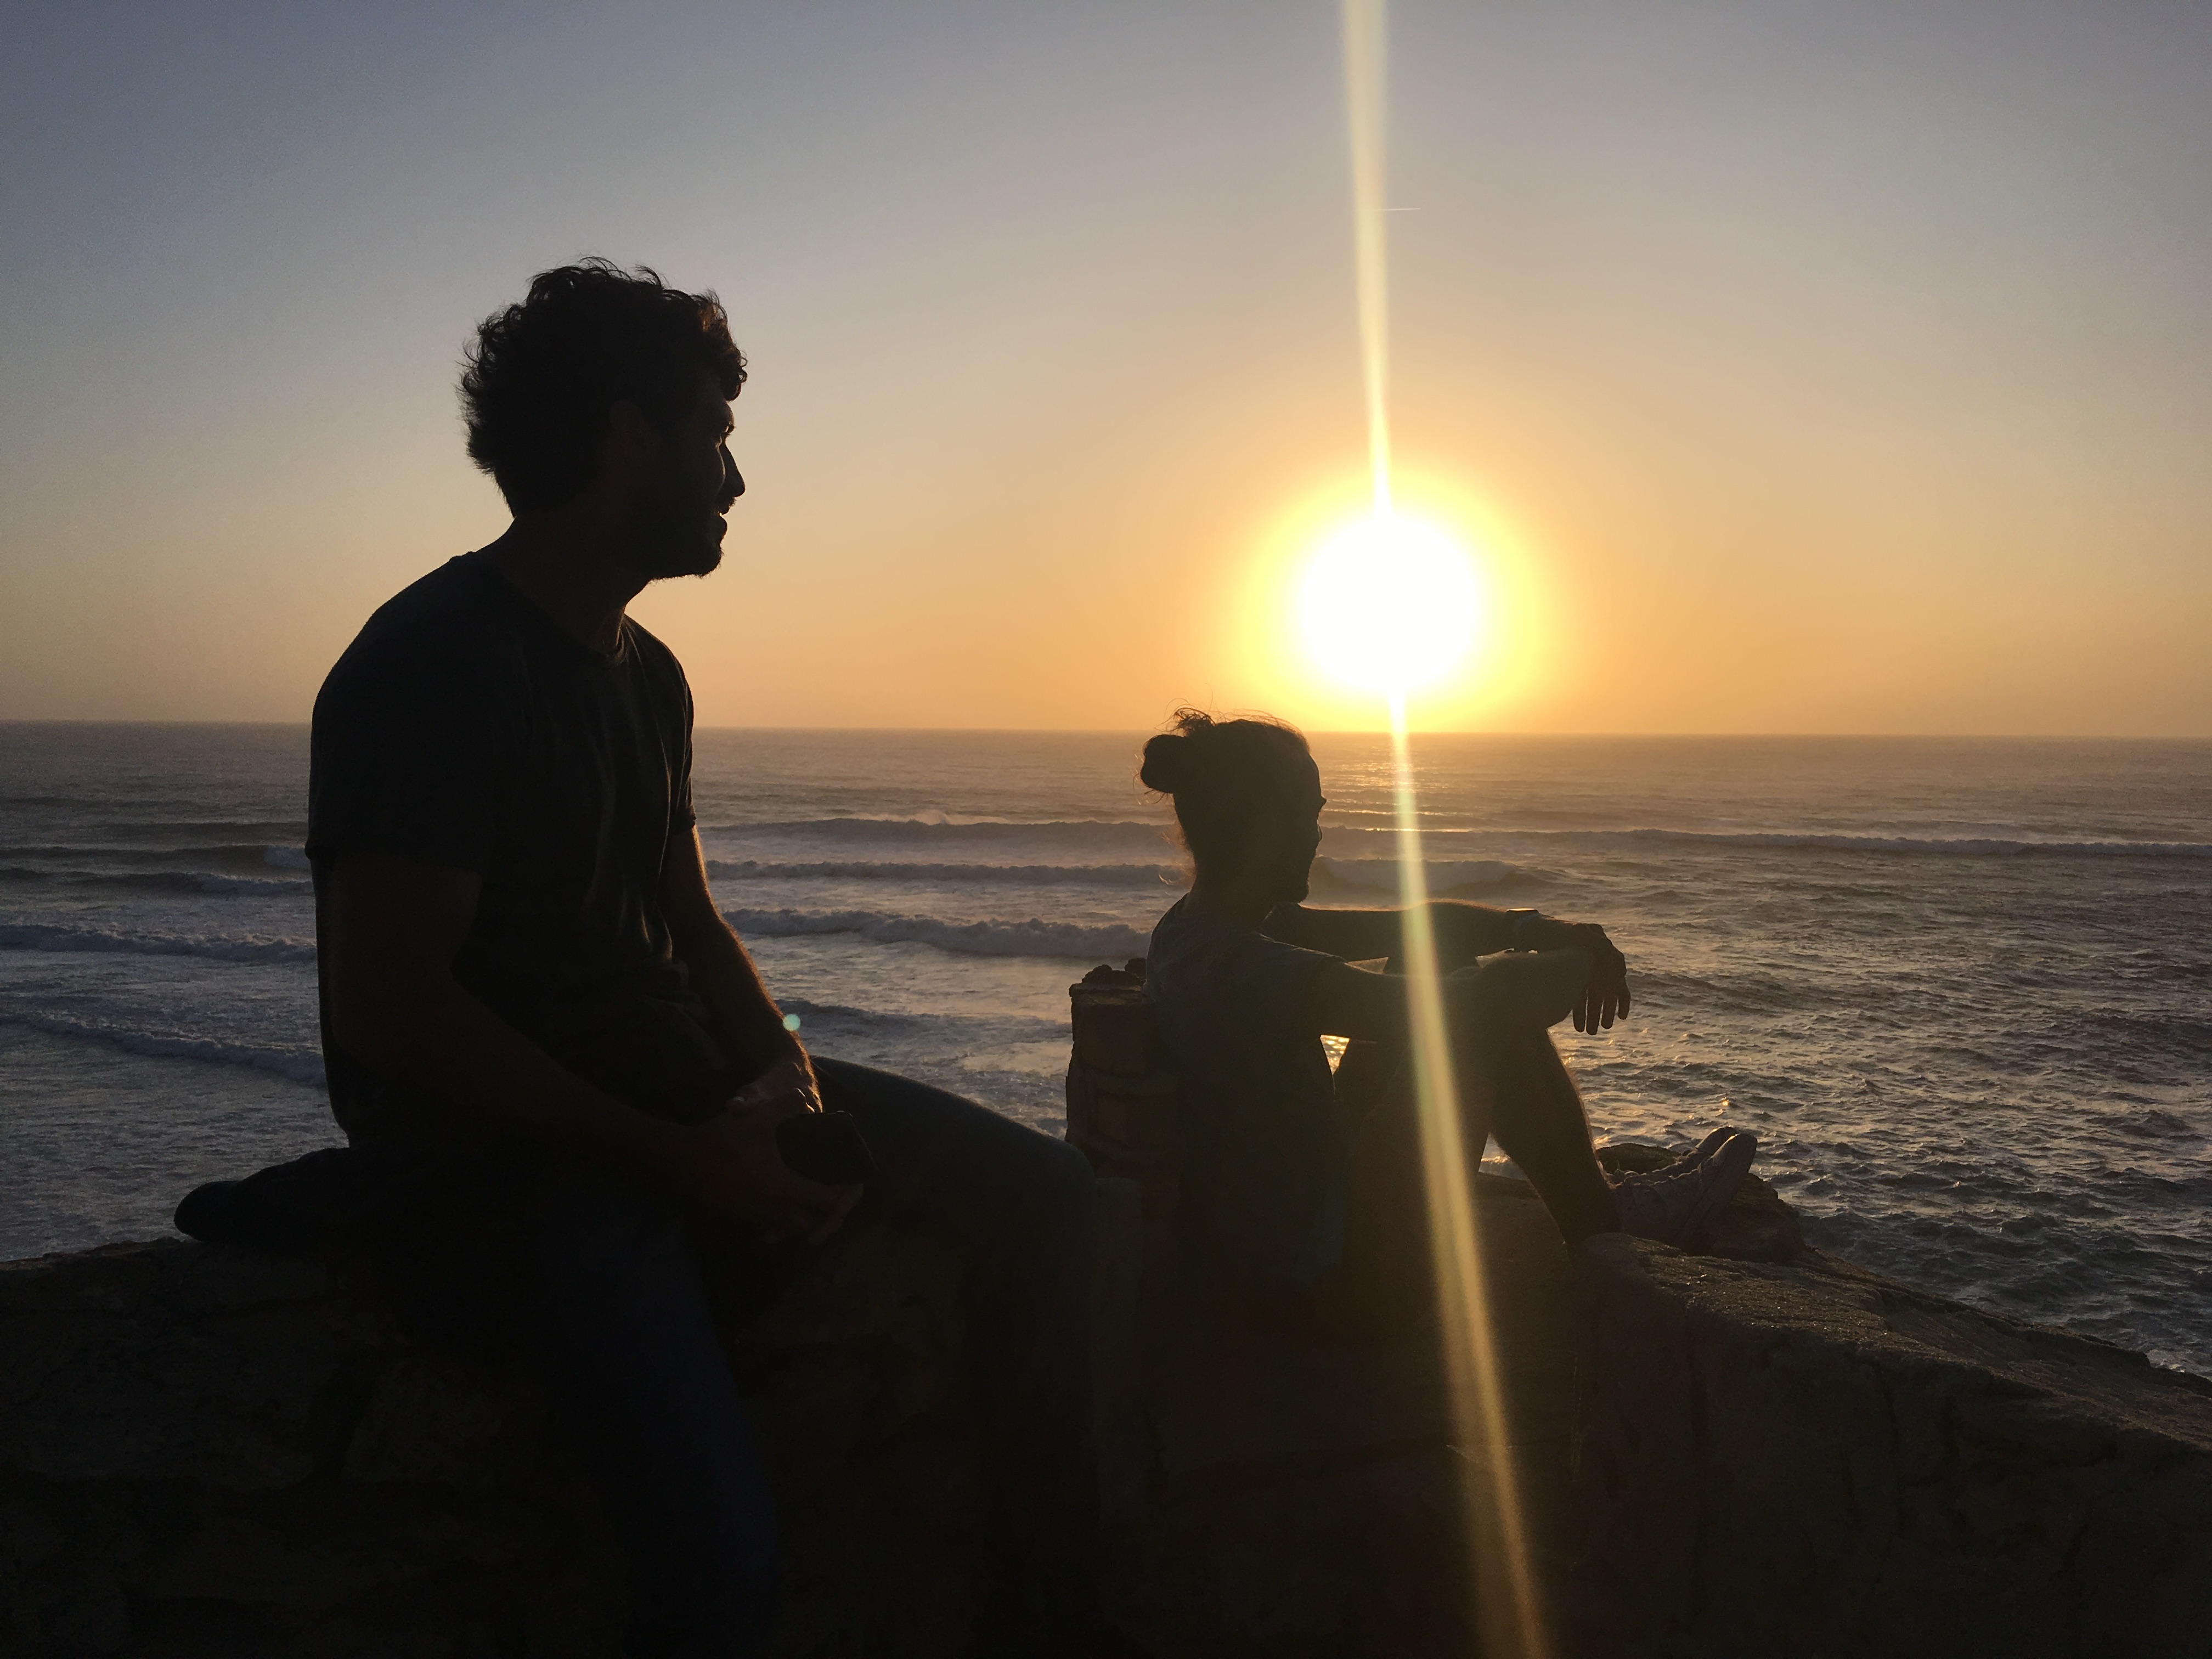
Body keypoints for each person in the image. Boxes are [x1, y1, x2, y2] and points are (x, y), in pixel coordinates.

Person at [291, 261, 1103, 1657]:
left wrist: (780, 1076)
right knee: (724, 1569)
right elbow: (391, 1010)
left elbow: (691, 921)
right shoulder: (431, 664)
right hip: (505, 1172)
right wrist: (681, 1162)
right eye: (717, 439)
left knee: (1057, 1203)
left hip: (668, 1096)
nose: (736, 482)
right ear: (630, 439)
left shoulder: (645, 672)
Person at [1135, 708, 1754, 1316]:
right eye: (1309, 813)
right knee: (1471, 1022)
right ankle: (1607, 1228)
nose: (1319, 833)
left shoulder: (1209, 930)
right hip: (1328, 1273)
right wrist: (1579, 961)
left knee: (1434, 961)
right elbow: (1482, 1005)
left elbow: (1421, 927)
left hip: (1301, 1216)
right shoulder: (1238, 965)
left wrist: (1540, 929)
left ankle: (1607, 1214)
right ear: (1262, 823)